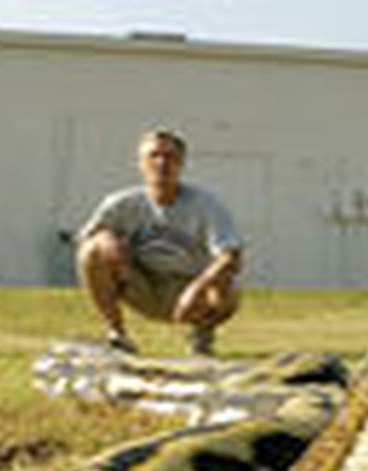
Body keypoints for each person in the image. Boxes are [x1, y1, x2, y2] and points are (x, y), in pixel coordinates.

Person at [76, 128, 243, 356]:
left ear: (181, 163)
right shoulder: (121, 203)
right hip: (142, 286)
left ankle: (202, 337)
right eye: (154, 156)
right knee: (90, 251)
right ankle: (118, 335)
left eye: (170, 157)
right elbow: (86, 239)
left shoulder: (206, 204)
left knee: (225, 280)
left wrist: (197, 288)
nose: (162, 163)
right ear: (141, 163)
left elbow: (232, 256)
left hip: (190, 292)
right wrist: (106, 240)